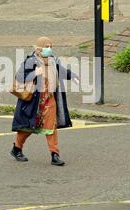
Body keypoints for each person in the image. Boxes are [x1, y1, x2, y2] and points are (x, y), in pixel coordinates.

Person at [10, 37, 79, 166]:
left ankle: (55, 155)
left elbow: (62, 71)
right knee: (27, 128)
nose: (49, 49)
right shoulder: (30, 62)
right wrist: (35, 72)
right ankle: (17, 148)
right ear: (39, 48)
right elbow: (19, 77)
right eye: (47, 46)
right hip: (34, 101)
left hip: (49, 99)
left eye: (51, 46)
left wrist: (73, 76)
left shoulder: (53, 61)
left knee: (51, 127)